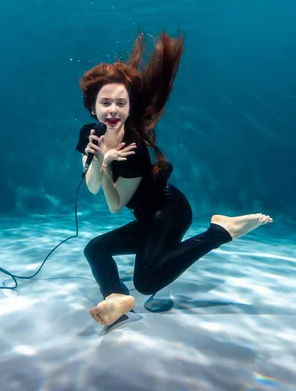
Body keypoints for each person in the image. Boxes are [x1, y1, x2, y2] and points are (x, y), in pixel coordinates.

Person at [75, 30, 272, 327]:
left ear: (130, 108)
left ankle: (220, 231)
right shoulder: (90, 133)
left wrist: (104, 166)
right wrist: (100, 160)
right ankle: (116, 296)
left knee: (146, 280)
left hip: (169, 211)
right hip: (147, 214)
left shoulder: (133, 148)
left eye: (121, 103)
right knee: (95, 249)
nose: (113, 110)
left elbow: (115, 205)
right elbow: (90, 187)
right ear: (93, 107)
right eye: (105, 103)